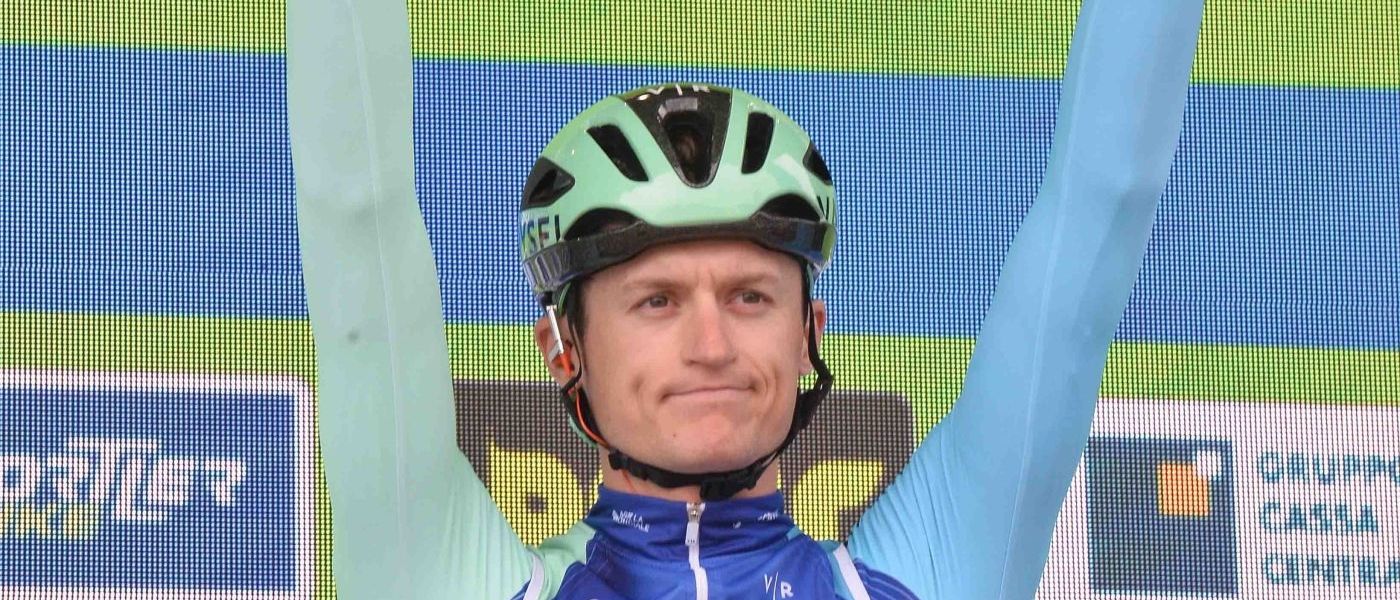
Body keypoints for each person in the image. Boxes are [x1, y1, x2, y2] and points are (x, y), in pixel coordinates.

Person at [287, 0, 1204, 597]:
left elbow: (1104, 199)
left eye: (751, 297)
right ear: (564, 347)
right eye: (656, 301)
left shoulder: (926, 576)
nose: (712, 344)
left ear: (809, 331)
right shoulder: (446, 578)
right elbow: (355, 209)